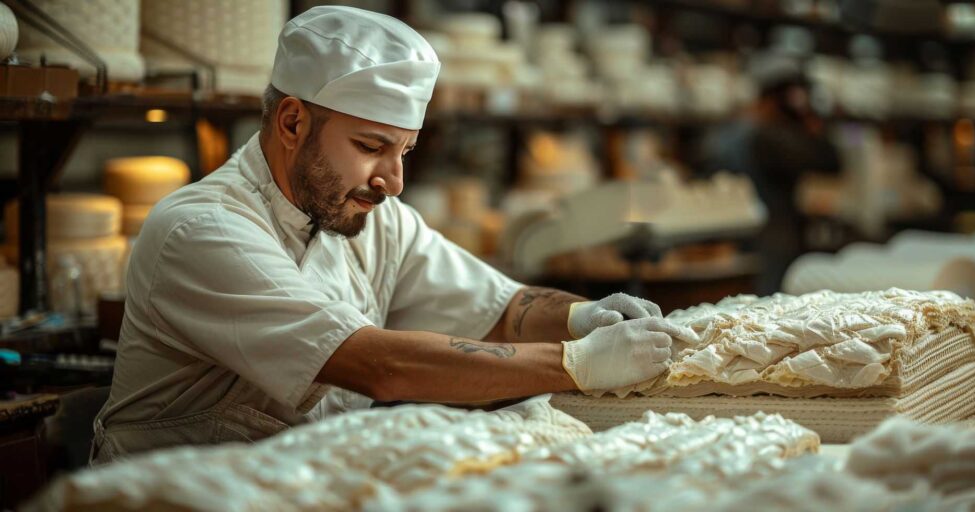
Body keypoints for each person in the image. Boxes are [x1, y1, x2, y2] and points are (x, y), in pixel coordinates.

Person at [90, 6, 681, 464]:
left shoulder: (368, 214)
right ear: (293, 121)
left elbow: (501, 308)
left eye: (405, 151)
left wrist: (585, 318)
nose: (394, 181)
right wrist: (576, 363)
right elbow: (376, 364)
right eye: (372, 147)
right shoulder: (201, 230)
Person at [700, 54, 841, 295]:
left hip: (736, 236)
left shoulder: (729, 132)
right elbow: (830, 162)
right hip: (772, 237)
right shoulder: (770, 136)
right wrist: (810, 125)